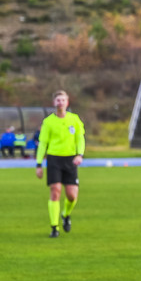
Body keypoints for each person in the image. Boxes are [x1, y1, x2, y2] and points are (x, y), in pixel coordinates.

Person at [35, 90, 86, 238]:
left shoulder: (75, 119)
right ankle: (54, 227)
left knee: (71, 196)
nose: (60, 103)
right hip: (54, 159)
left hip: (70, 160)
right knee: (55, 190)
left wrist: (80, 154)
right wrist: (39, 164)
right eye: (58, 100)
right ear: (54, 103)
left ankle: (65, 214)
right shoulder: (48, 122)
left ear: (67, 102)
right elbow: (43, 143)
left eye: (63, 100)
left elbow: (80, 139)